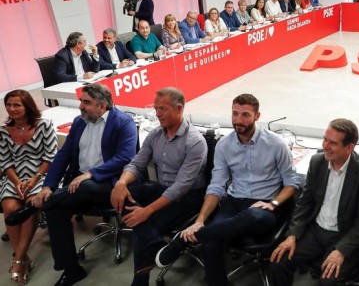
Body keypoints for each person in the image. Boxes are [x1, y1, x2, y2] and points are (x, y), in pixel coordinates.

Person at [155, 93, 301, 286]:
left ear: (257, 116)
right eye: (235, 114)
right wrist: (199, 221)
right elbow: (216, 186)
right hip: (234, 203)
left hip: (265, 205)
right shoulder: (224, 145)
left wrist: (273, 203)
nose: (238, 120)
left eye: (245, 115)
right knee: (211, 244)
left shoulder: (276, 144)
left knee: (253, 216)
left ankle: (185, 239)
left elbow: (292, 183)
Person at [20, 84, 136, 286]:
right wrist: (48, 186)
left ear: (103, 105)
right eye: (81, 101)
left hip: (109, 182)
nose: (81, 106)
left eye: (86, 102)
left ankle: (32, 208)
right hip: (78, 183)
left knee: (86, 186)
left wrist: (91, 174)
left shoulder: (123, 122)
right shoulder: (79, 122)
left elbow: (125, 157)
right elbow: (63, 155)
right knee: (55, 209)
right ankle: (72, 270)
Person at [110, 87, 207, 286]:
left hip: (188, 197)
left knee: (143, 222)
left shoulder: (195, 142)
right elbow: (136, 163)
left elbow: (180, 187)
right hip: (162, 188)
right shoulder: (155, 134)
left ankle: (140, 280)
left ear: (179, 109)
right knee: (127, 191)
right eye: (156, 108)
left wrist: (146, 211)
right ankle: (153, 241)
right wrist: (121, 182)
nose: (157, 114)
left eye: (162, 109)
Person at [269, 118, 359, 286]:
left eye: (332, 143)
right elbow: (305, 203)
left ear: (349, 147)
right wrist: (292, 235)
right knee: (278, 261)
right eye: (325, 139)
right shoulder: (317, 162)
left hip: (344, 235)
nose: (325, 146)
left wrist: (341, 251)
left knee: (328, 281)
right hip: (315, 231)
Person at [1, 90, 57, 284]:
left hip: (40, 174)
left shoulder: (44, 125)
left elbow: (50, 157)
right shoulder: (3, 131)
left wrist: (34, 179)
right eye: (8, 105)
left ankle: (18, 259)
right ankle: (23, 257)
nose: (11, 109)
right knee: (10, 208)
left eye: (17, 105)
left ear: (27, 106)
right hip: (15, 177)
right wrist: (17, 182)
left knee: (31, 206)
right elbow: (5, 161)